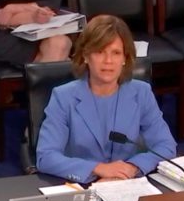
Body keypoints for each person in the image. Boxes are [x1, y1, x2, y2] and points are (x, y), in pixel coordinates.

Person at [36, 15, 176, 183]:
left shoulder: (141, 93)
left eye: (116, 53)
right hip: (82, 185)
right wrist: (99, 169)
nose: (108, 61)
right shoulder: (63, 97)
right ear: (86, 56)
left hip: (128, 183)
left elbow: (166, 146)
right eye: (100, 52)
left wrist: (131, 168)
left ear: (125, 58)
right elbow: (46, 157)